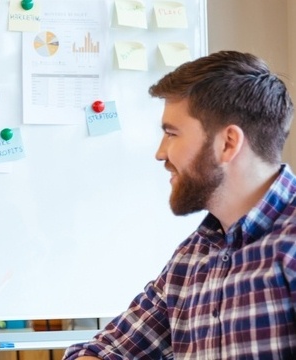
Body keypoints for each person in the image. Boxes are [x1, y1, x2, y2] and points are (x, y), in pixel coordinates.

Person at [64, 50, 296, 359]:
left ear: (228, 143)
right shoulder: (191, 258)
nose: (160, 153)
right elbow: (106, 350)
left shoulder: (289, 247)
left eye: (172, 134)